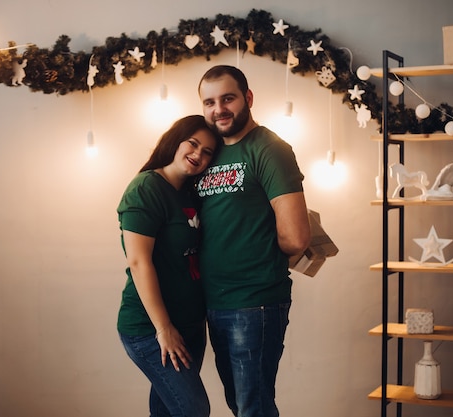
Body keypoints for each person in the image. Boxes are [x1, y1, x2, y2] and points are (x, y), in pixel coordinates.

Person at [196, 65, 311, 417]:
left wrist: (252, 253)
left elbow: (296, 238)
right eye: (209, 102)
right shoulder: (208, 151)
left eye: (227, 98)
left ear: (247, 98)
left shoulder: (269, 148)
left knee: (253, 408)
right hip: (214, 301)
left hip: (254, 302)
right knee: (240, 404)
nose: (219, 109)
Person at [117, 115, 222, 417]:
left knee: (166, 412)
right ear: (175, 140)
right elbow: (138, 262)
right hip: (150, 328)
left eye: (207, 152)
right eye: (193, 143)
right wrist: (163, 329)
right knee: (193, 410)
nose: (198, 154)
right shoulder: (146, 188)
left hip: (190, 324)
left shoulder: (191, 193)